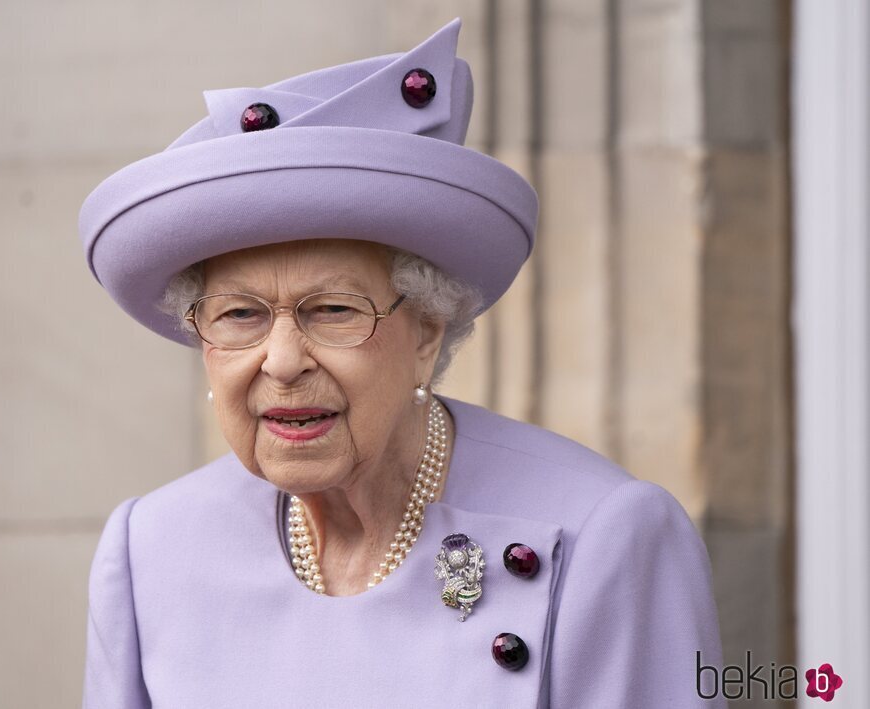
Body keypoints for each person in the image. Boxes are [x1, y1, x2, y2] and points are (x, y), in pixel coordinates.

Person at [78, 17, 727, 708]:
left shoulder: (606, 536)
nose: (284, 360)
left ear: (425, 331)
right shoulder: (151, 548)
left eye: (333, 310)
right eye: (240, 315)